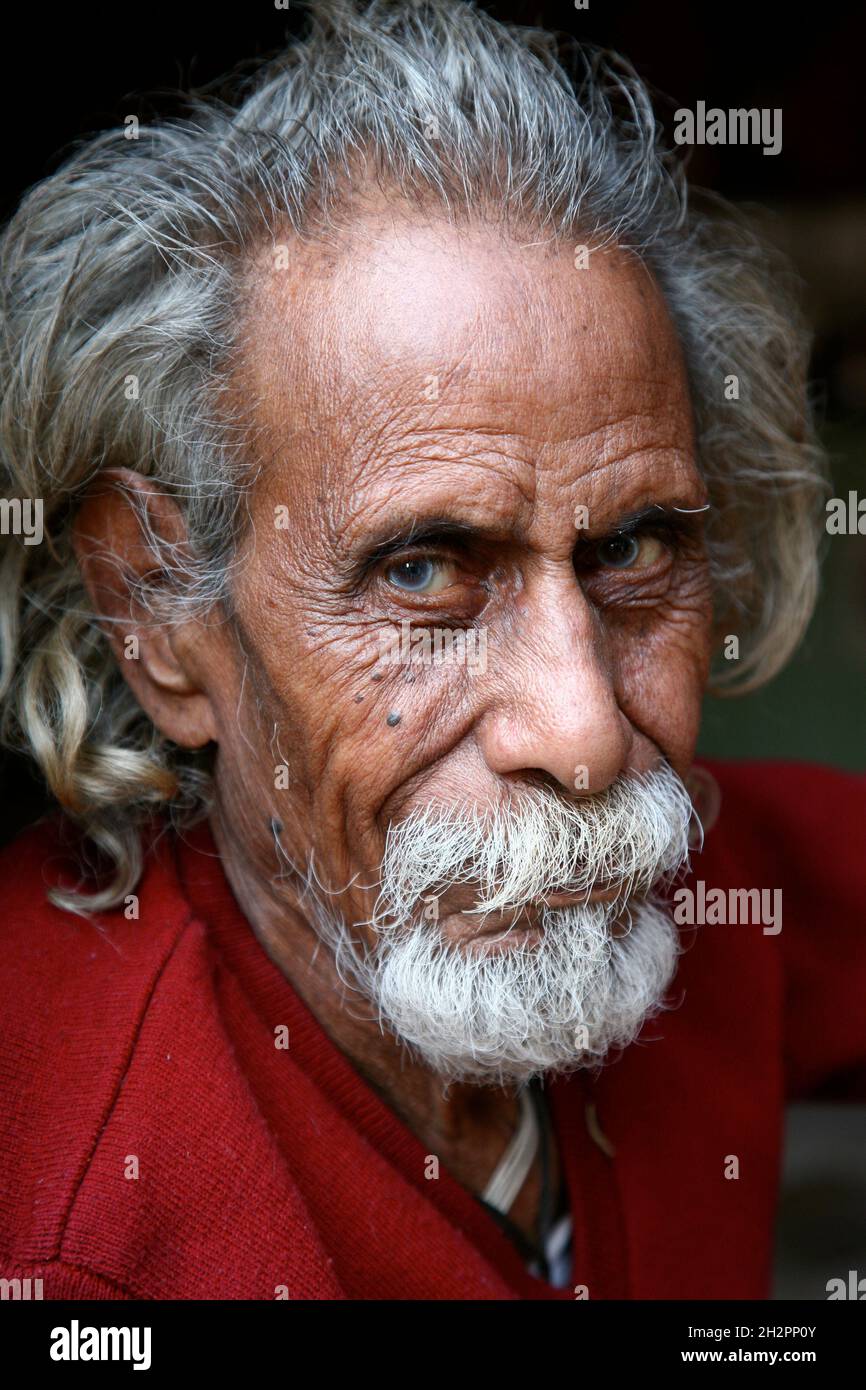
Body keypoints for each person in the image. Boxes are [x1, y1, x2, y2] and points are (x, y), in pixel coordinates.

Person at [0, 0, 862, 1300]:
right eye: (421, 572)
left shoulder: (660, 884)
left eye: (629, 548)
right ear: (160, 613)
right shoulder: (82, 1248)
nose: (580, 735)